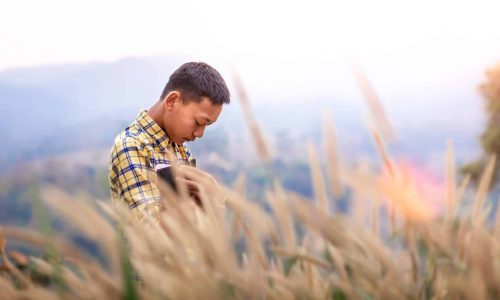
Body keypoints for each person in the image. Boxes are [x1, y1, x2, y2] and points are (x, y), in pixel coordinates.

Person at [108, 62, 230, 221]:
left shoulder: (179, 147)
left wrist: (213, 201)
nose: (200, 133)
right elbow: (149, 230)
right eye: (199, 122)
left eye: (207, 125)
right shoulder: (131, 146)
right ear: (172, 101)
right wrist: (208, 200)